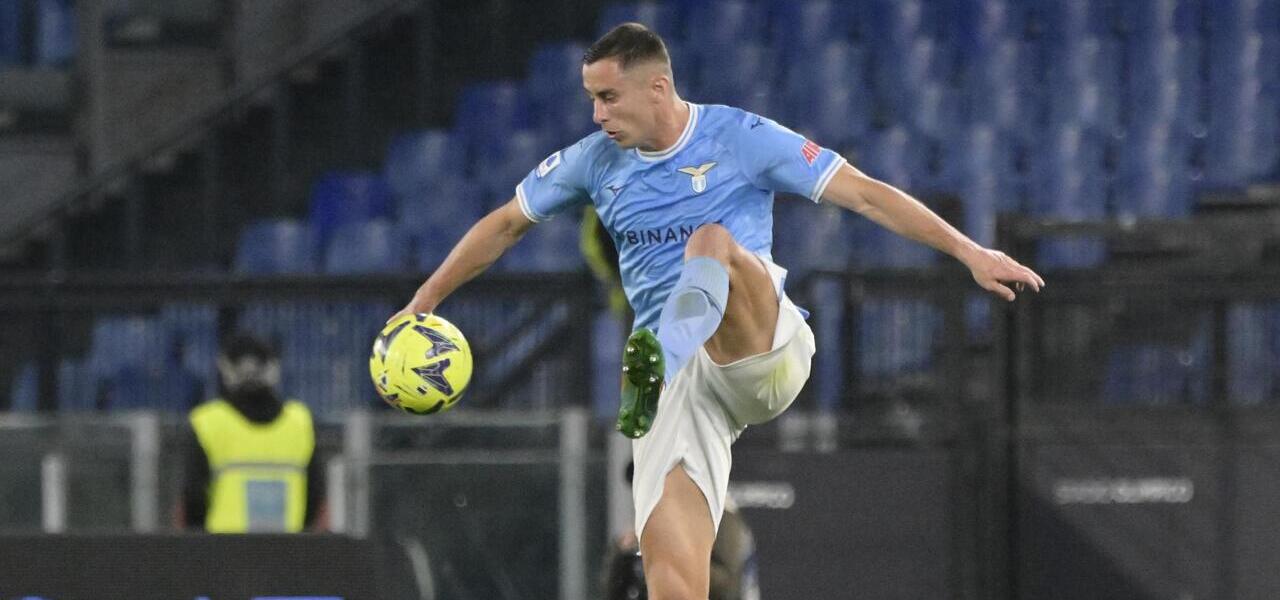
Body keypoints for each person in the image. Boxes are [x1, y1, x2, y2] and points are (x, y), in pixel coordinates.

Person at [393, 23, 1043, 600]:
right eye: (591, 98)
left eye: (609, 97)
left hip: (761, 348)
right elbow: (506, 223)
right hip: (680, 391)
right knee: (671, 579)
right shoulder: (593, 163)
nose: (596, 114)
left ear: (657, 87)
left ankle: (661, 354)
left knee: (712, 241)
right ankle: (660, 364)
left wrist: (968, 251)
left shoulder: (741, 137)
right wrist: (425, 300)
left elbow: (866, 195)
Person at [178, 333, 327, 533]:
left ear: (225, 369)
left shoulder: (206, 422)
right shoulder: (301, 422)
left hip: (223, 550)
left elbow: (193, 501)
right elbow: (316, 499)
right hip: (288, 549)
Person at [603, 461, 759, 600]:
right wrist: (624, 554)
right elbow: (613, 590)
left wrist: (668, 555)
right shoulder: (650, 520)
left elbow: (727, 583)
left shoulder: (720, 514)